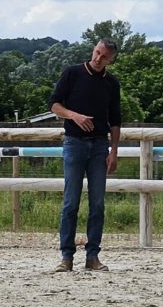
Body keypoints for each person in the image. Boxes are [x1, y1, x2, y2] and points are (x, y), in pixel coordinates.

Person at [49, 38, 122, 272]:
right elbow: (54, 105)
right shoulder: (72, 73)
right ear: (93, 49)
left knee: (97, 204)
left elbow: (116, 120)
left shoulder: (112, 83)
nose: (98, 59)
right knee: (71, 202)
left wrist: (114, 151)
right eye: (97, 52)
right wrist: (75, 116)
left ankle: (93, 256)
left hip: (100, 145)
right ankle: (66, 256)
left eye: (104, 57)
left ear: (111, 60)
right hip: (74, 143)